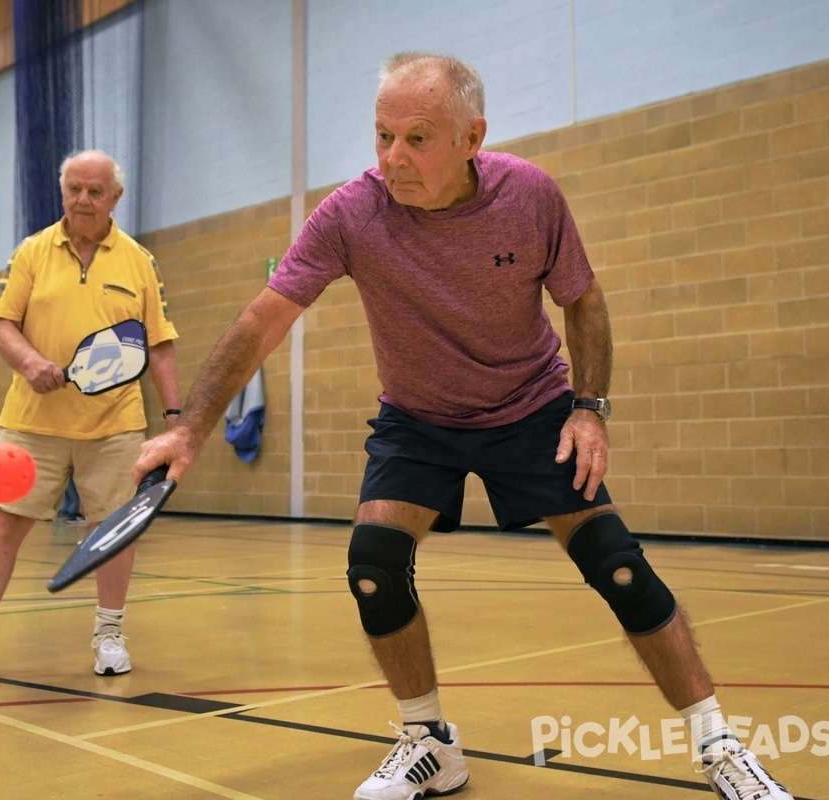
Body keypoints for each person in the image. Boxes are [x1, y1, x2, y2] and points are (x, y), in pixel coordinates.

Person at [133, 53, 794, 800]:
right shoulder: (351, 213)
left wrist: (590, 407)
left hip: (531, 408)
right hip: (419, 419)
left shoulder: (531, 196)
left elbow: (583, 301)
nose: (393, 159)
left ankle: (721, 750)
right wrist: (189, 430)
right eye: (382, 135)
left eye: (418, 139)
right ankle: (428, 744)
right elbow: (263, 321)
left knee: (618, 566)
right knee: (374, 565)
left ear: (472, 136)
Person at [0, 149, 182, 685]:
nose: (83, 199)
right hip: (29, 422)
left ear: (115, 197)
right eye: (74, 189)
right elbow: (1, 323)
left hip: (115, 425)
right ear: (62, 191)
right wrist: (29, 361)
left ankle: (109, 634)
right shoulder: (32, 252)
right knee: (2, 525)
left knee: (114, 531)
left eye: (95, 191)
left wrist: (176, 418)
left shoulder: (138, 259)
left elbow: (158, 344)